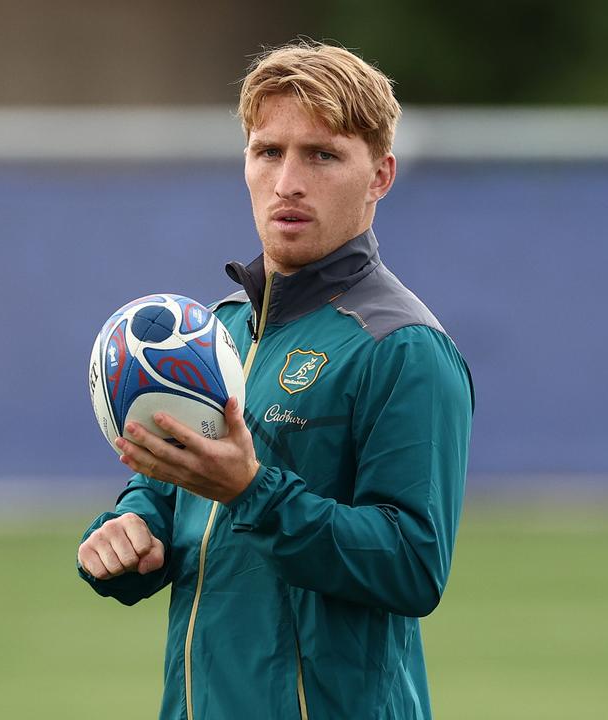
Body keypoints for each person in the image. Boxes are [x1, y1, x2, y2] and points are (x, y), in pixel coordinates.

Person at [77, 40, 474, 719]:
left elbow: (413, 564)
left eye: (322, 155)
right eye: (268, 152)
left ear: (379, 176)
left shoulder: (403, 347)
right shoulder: (218, 329)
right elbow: (167, 490)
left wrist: (250, 491)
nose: (289, 180)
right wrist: (130, 528)